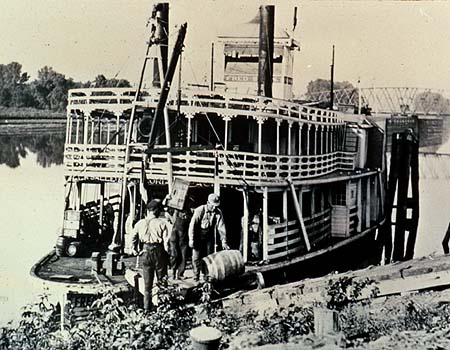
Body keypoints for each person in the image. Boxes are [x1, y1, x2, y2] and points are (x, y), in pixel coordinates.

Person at [131, 199, 170, 312]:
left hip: (145, 252)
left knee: (147, 285)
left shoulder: (140, 223)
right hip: (158, 252)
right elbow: (166, 242)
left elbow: (133, 237)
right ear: (157, 211)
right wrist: (168, 254)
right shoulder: (162, 223)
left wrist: (134, 249)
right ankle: (163, 308)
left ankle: (147, 309)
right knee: (162, 282)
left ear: (148, 211)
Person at [188, 193, 230, 282]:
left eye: (216, 205)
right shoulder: (200, 210)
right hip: (198, 236)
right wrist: (191, 239)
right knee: (196, 257)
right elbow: (192, 225)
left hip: (209, 237)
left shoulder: (218, 212)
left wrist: (224, 241)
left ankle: (206, 276)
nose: (214, 207)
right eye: (213, 205)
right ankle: (196, 277)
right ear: (208, 202)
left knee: (209, 257)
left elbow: (221, 227)